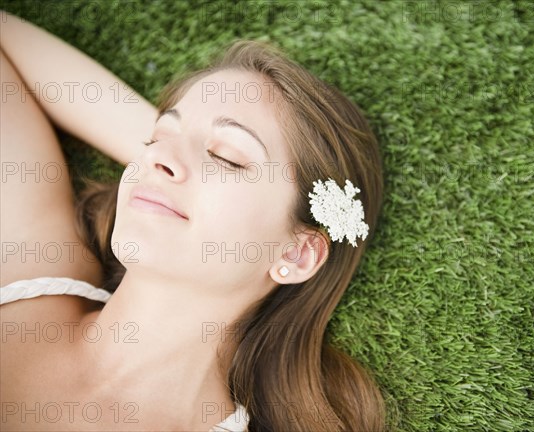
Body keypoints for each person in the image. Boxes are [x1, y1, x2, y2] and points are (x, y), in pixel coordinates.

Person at [1, 10, 385, 431]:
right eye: (156, 137)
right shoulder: (33, 277)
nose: (153, 156)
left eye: (228, 157)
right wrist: (168, 163)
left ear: (295, 252)